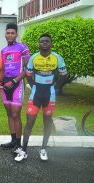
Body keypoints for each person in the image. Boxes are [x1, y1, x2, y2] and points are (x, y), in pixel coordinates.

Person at [15, 33, 67, 162]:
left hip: (50, 93)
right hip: (36, 93)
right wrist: (33, 86)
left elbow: (64, 75)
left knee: (47, 123)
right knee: (30, 122)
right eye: (42, 41)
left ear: (51, 43)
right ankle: (24, 151)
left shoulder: (57, 58)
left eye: (47, 41)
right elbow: (28, 74)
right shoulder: (34, 58)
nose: (44, 43)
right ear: (39, 43)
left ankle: (43, 149)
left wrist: (55, 87)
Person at [0, 23, 30, 151]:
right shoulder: (3, 50)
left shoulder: (23, 48)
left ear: (16, 34)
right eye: (8, 33)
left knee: (15, 114)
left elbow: (27, 69)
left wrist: (14, 81)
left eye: (12, 33)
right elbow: (2, 69)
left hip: (16, 83)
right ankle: (12, 141)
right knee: (9, 113)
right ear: (5, 35)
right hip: (5, 84)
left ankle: (19, 143)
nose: (10, 35)